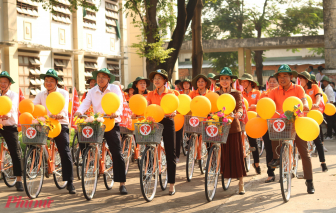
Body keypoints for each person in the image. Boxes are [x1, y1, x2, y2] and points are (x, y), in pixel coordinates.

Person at [75, 68, 128, 195]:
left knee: (117, 152)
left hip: (111, 122)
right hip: (97, 122)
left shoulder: (115, 89)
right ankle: (90, 157)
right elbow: (85, 103)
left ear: (108, 79)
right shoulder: (92, 91)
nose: (100, 79)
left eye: (104, 76)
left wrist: (117, 113)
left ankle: (122, 183)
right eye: (98, 76)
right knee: (81, 136)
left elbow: (119, 103)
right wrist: (79, 111)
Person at [268, 64, 315, 194]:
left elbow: (303, 100)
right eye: (280, 76)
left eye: (285, 76)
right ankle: (277, 157)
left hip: (297, 122)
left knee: (304, 152)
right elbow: (268, 104)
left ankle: (309, 181)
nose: (282, 78)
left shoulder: (298, 88)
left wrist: (305, 105)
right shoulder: (274, 91)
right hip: (281, 123)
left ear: (291, 77)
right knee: (272, 129)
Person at [33, 69, 75, 194]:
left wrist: (60, 114)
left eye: (51, 80)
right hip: (45, 124)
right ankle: (36, 168)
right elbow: (35, 107)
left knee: (64, 151)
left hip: (59, 124)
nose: (48, 83)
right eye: (46, 80)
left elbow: (64, 106)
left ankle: (70, 181)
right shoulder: (41, 94)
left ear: (57, 82)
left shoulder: (63, 93)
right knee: (33, 142)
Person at [214, 67, 246, 195]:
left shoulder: (236, 93)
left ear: (231, 80)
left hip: (233, 127)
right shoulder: (216, 94)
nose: (224, 81)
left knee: (237, 155)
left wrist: (238, 113)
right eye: (222, 79)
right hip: (219, 127)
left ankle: (241, 183)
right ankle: (223, 174)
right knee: (223, 155)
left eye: (227, 78)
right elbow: (211, 106)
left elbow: (240, 107)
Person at [146, 69, 177, 195]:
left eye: (160, 78)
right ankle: (148, 174)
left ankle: (171, 184)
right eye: (155, 78)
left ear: (165, 80)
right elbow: (146, 107)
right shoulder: (150, 94)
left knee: (170, 152)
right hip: (154, 123)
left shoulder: (171, 93)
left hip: (168, 122)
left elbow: (177, 108)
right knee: (149, 148)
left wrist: (174, 112)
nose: (157, 80)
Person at [298, 71, 328, 172]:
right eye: (299, 79)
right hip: (303, 116)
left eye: (301, 79)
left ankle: (323, 163)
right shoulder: (300, 89)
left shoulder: (314, 87)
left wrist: (316, 103)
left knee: (317, 140)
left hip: (313, 115)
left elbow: (319, 97)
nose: (299, 81)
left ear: (306, 80)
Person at [0, 71, 23, 191]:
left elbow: (13, 106)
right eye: (0, 82)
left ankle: (19, 180)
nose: (2, 84)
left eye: (5, 82)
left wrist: (7, 114)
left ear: (9, 83)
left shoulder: (13, 95)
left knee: (15, 152)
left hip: (9, 125)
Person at [239, 73, 261, 175]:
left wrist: (255, 105)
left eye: (245, 81)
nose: (243, 83)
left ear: (250, 82)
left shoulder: (257, 93)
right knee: (238, 143)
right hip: (242, 119)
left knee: (253, 143)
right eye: (242, 81)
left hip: (252, 120)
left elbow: (261, 104)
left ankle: (256, 164)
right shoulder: (240, 93)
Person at [259, 75, 279, 182]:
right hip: (266, 124)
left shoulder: (279, 93)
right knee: (268, 149)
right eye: (270, 81)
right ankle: (270, 173)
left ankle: (285, 170)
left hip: (279, 125)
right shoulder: (263, 94)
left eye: (274, 81)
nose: (271, 83)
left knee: (279, 148)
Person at [321, 76, 336, 140]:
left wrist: (330, 109)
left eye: (325, 81)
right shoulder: (326, 88)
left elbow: (332, 99)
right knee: (331, 122)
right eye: (323, 81)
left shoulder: (329, 89)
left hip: (330, 106)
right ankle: (330, 134)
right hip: (329, 106)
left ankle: (329, 136)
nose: (324, 83)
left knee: (329, 122)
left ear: (327, 82)